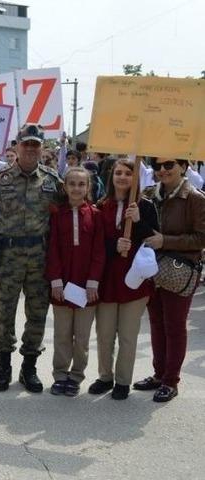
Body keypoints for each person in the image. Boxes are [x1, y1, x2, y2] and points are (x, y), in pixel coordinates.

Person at [0, 124, 65, 393]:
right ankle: (3, 365)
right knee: (4, 311)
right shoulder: (1, 178)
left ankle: (29, 366)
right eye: (25, 144)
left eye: (35, 144)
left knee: (37, 312)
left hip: (40, 257)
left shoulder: (52, 180)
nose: (30, 149)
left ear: (42, 148)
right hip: (7, 256)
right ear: (17, 146)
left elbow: (70, 210)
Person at [138, 157, 205, 402]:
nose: (162, 170)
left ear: (184, 167)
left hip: (180, 270)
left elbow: (201, 238)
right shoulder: (148, 194)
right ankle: (159, 374)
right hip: (151, 268)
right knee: (156, 323)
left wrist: (165, 241)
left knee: (174, 326)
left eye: (169, 165)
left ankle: (170, 380)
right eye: (157, 166)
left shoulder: (195, 198)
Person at [92, 157, 159, 400]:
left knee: (128, 336)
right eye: (118, 173)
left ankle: (123, 381)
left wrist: (139, 222)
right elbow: (94, 243)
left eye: (128, 173)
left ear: (136, 178)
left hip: (134, 281)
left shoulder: (146, 206)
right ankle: (105, 376)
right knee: (105, 334)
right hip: (107, 280)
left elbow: (154, 241)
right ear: (112, 176)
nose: (122, 177)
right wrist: (113, 246)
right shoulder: (101, 206)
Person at [46, 167, 106, 397]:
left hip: (86, 288)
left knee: (82, 337)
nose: (76, 188)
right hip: (61, 286)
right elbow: (52, 249)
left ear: (88, 187)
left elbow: (99, 251)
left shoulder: (96, 214)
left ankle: (76, 375)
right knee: (62, 334)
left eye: (82, 184)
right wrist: (55, 281)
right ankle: (60, 374)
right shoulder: (56, 214)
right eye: (72, 184)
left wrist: (93, 282)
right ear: (65, 187)